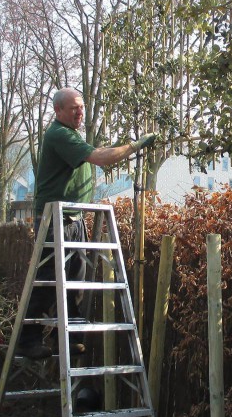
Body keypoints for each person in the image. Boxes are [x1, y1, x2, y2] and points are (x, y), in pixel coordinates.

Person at [20, 87, 156, 358]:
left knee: (76, 279)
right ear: (58, 111)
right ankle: (28, 339)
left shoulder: (72, 135)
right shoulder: (59, 134)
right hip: (53, 218)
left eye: (81, 107)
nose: (79, 112)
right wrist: (135, 146)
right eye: (74, 108)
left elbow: (97, 151)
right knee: (48, 280)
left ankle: (69, 339)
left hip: (74, 216)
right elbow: (101, 158)